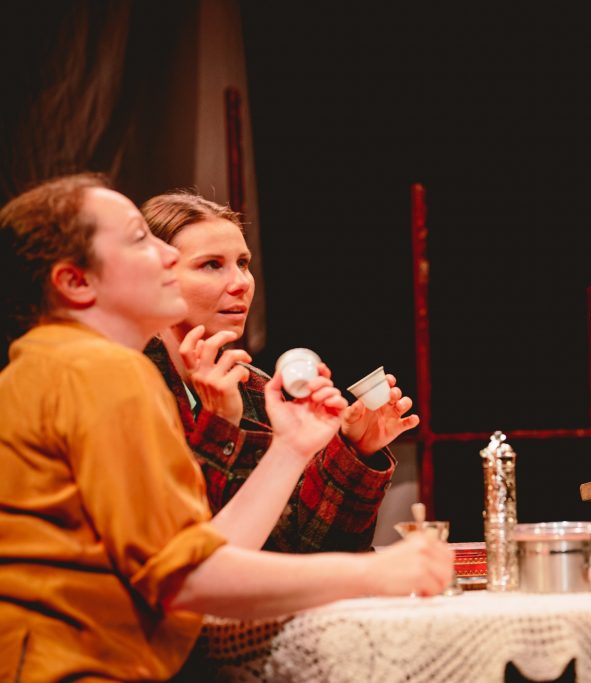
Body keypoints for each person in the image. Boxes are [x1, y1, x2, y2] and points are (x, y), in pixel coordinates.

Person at [0, 174, 452, 682]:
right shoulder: (102, 372)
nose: (167, 256)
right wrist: (374, 572)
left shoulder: (50, 366)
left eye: (242, 263)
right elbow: (190, 580)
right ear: (76, 282)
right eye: (138, 238)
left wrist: (291, 449)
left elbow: (195, 554)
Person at [138, 190, 416, 553]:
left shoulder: (253, 388)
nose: (240, 282)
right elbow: (186, 554)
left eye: (243, 263)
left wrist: (354, 452)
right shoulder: (129, 384)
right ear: (157, 276)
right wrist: (219, 425)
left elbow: (299, 549)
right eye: (211, 264)